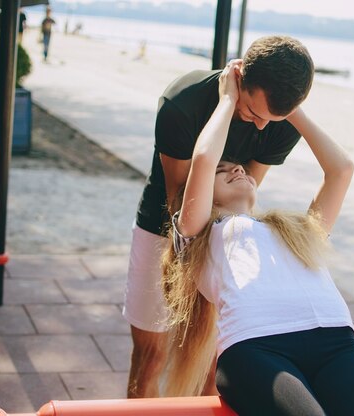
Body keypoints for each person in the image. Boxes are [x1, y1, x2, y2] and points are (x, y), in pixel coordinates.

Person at [161, 61, 354, 416]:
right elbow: (205, 157)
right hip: (258, 348)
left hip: (336, 341)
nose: (236, 168)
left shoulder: (293, 230)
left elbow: (341, 170)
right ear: (203, 193)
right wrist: (228, 99)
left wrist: (287, 106)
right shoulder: (198, 233)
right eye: (223, 171)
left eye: (235, 166)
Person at [122, 35, 314, 398]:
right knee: (150, 358)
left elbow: (244, 194)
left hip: (227, 234)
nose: (261, 127)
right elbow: (180, 206)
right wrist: (227, 106)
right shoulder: (184, 103)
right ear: (240, 75)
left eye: (271, 120)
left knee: (217, 366)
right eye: (254, 113)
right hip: (163, 230)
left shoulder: (281, 121)